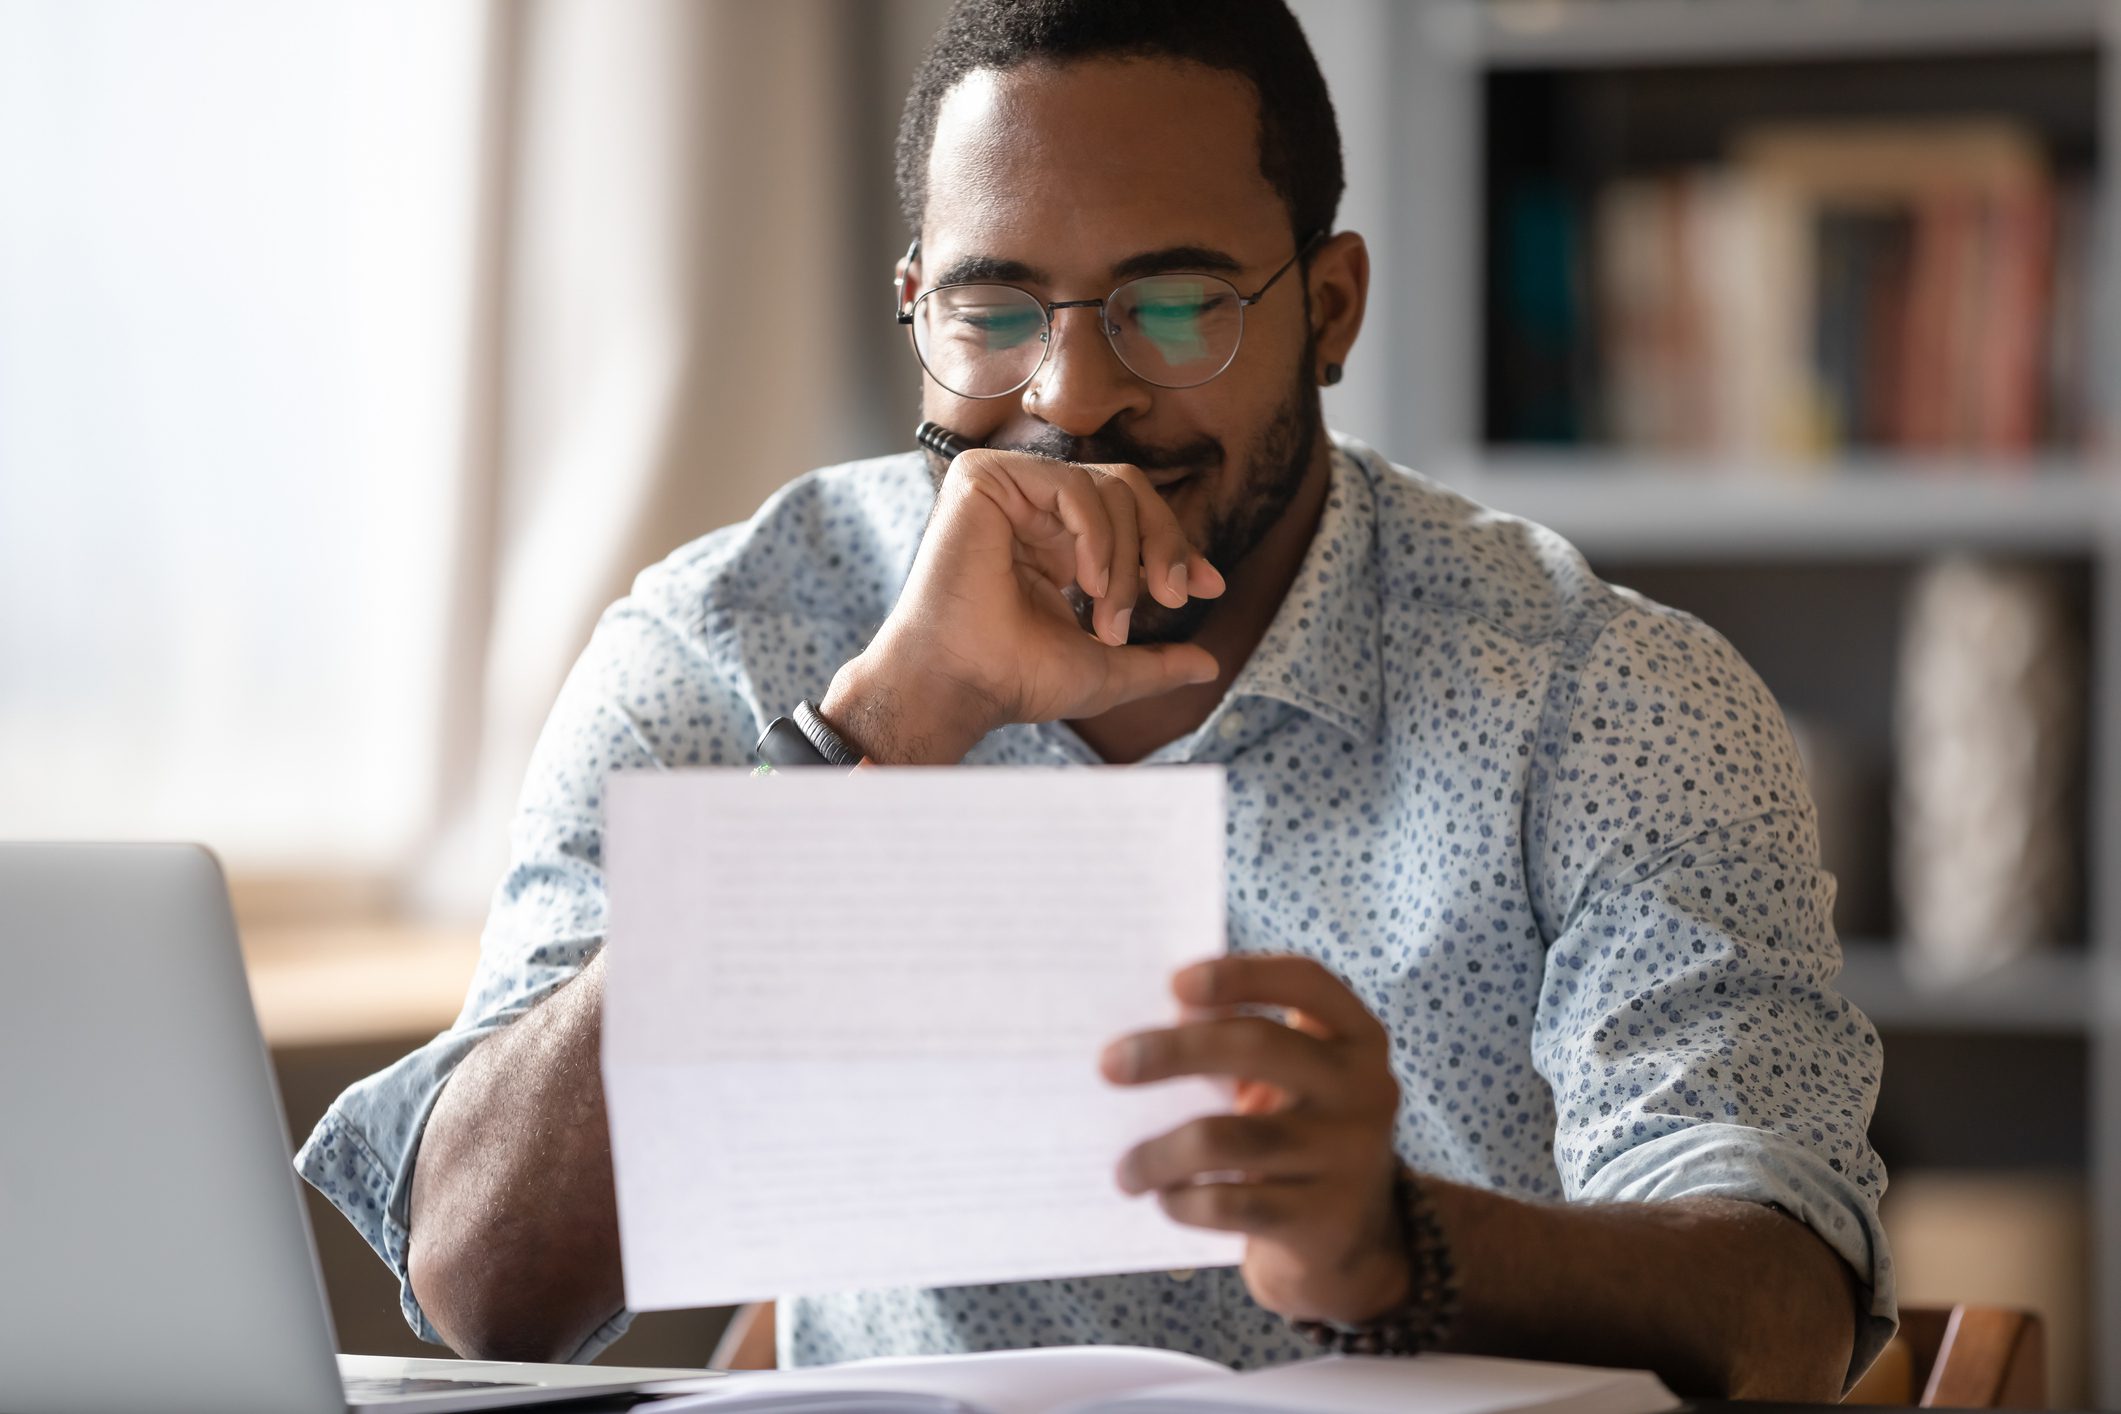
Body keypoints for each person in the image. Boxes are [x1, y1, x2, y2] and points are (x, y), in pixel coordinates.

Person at [297, 1, 1893, 1399]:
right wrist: (882, 734)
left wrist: (1393, 1243)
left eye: (1175, 303)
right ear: (916, 304)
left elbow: (1783, 1302)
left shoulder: (1600, 695)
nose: (1069, 399)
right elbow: (478, 1278)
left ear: (1326, 309)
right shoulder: (738, 638)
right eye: (994, 314)